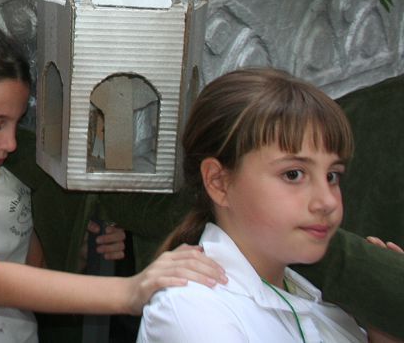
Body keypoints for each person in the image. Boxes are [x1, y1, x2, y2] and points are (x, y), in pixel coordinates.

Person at [0, 23, 226, 343]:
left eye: (16, 123)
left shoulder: (8, 178)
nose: (10, 143)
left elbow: (33, 271)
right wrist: (131, 290)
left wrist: (81, 253)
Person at [137, 68, 401, 342]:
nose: (327, 201)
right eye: (293, 174)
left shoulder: (314, 303)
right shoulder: (193, 311)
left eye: (332, 176)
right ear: (218, 182)